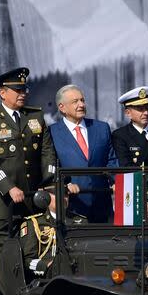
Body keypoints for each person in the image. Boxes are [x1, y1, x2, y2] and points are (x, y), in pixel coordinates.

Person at [0, 67, 56, 293]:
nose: (23, 93)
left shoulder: (35, 116)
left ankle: (36, 292)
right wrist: (9, 188)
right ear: (3, 93)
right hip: (6, 201)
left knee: (36, 244)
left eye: (25, 89)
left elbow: (47, 152)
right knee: (6, 249)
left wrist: (49, 186)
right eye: (17, 89)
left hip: (35, 198)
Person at [49, 84, 118, 222]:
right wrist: (63, 185)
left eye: (82, 100)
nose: (81, 104)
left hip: (102, 204)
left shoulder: (101, 128)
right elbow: (50, 165)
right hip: (72, 206)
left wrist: (117, 182)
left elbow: (111, 160)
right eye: (75, 102)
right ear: (62, 107)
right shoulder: (51, 133)